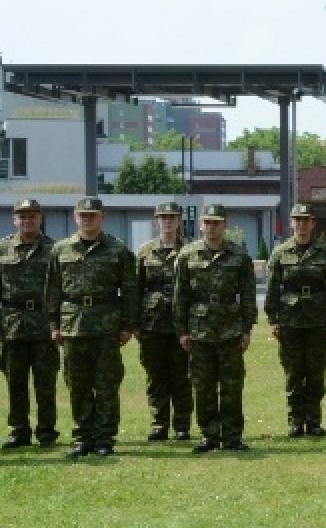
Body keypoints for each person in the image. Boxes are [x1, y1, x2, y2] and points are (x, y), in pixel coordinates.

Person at [45, 196, 137, 458]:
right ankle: (83, 437)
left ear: (102, 217)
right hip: (73, 325)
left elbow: (130, 290)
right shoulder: (61, 249)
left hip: (107, 325)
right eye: (83, 215)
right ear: (76, 217)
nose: (87, 219)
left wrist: (128, 325)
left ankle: (105, 438)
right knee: (78, 385)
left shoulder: (118, 250)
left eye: (92, 215)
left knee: (107, 384)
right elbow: (52, 289)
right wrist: (53, 324)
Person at [173, 204, 257, 453]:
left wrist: (247, 330)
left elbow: (248, 296)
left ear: (224, 225)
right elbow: (180, 296)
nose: (211, 227)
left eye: (216, 223)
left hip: (230, 329)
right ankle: (208, 435)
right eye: (207, 222)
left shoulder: (239, 255)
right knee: (203, 386)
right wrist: (182, 331)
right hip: (199, 331)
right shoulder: (188, 255)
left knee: (232, 386)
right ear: (200, 225)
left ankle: (232, 436)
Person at [264, 203, 326, 437]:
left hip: (318, 321)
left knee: (316, 372)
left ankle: (314, 421)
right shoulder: (280, 253)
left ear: (313, 223)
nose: (302, 225)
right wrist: (273, 320)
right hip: (290, 322)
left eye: (306, 220)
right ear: (291, 223)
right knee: (293, 372)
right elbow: (272, 289)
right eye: (298, 220)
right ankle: (295, 420)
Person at [0, 198, 60, 449]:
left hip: (44, 324)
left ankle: (46, 431)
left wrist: (58, 324)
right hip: (11, 325)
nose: (27, 221)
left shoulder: (55, 249)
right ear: (14, 220)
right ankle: (19, 430)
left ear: (40, 219)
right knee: (15, 382)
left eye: (32, 216)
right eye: (22, 216)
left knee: (45, 382)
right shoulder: (3, 248)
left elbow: (60, 288)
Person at [136, 200, 192, 441]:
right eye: (163, 217)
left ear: (179, 220)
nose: (167, 221)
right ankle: (159, 424)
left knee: (182, 376)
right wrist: (134, 323)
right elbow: (136, 288)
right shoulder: (145, 251)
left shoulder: (190, 249)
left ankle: (182, 425)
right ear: (156, 220)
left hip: (182, 324)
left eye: (172, 217)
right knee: (156, 376)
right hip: (152, 323)